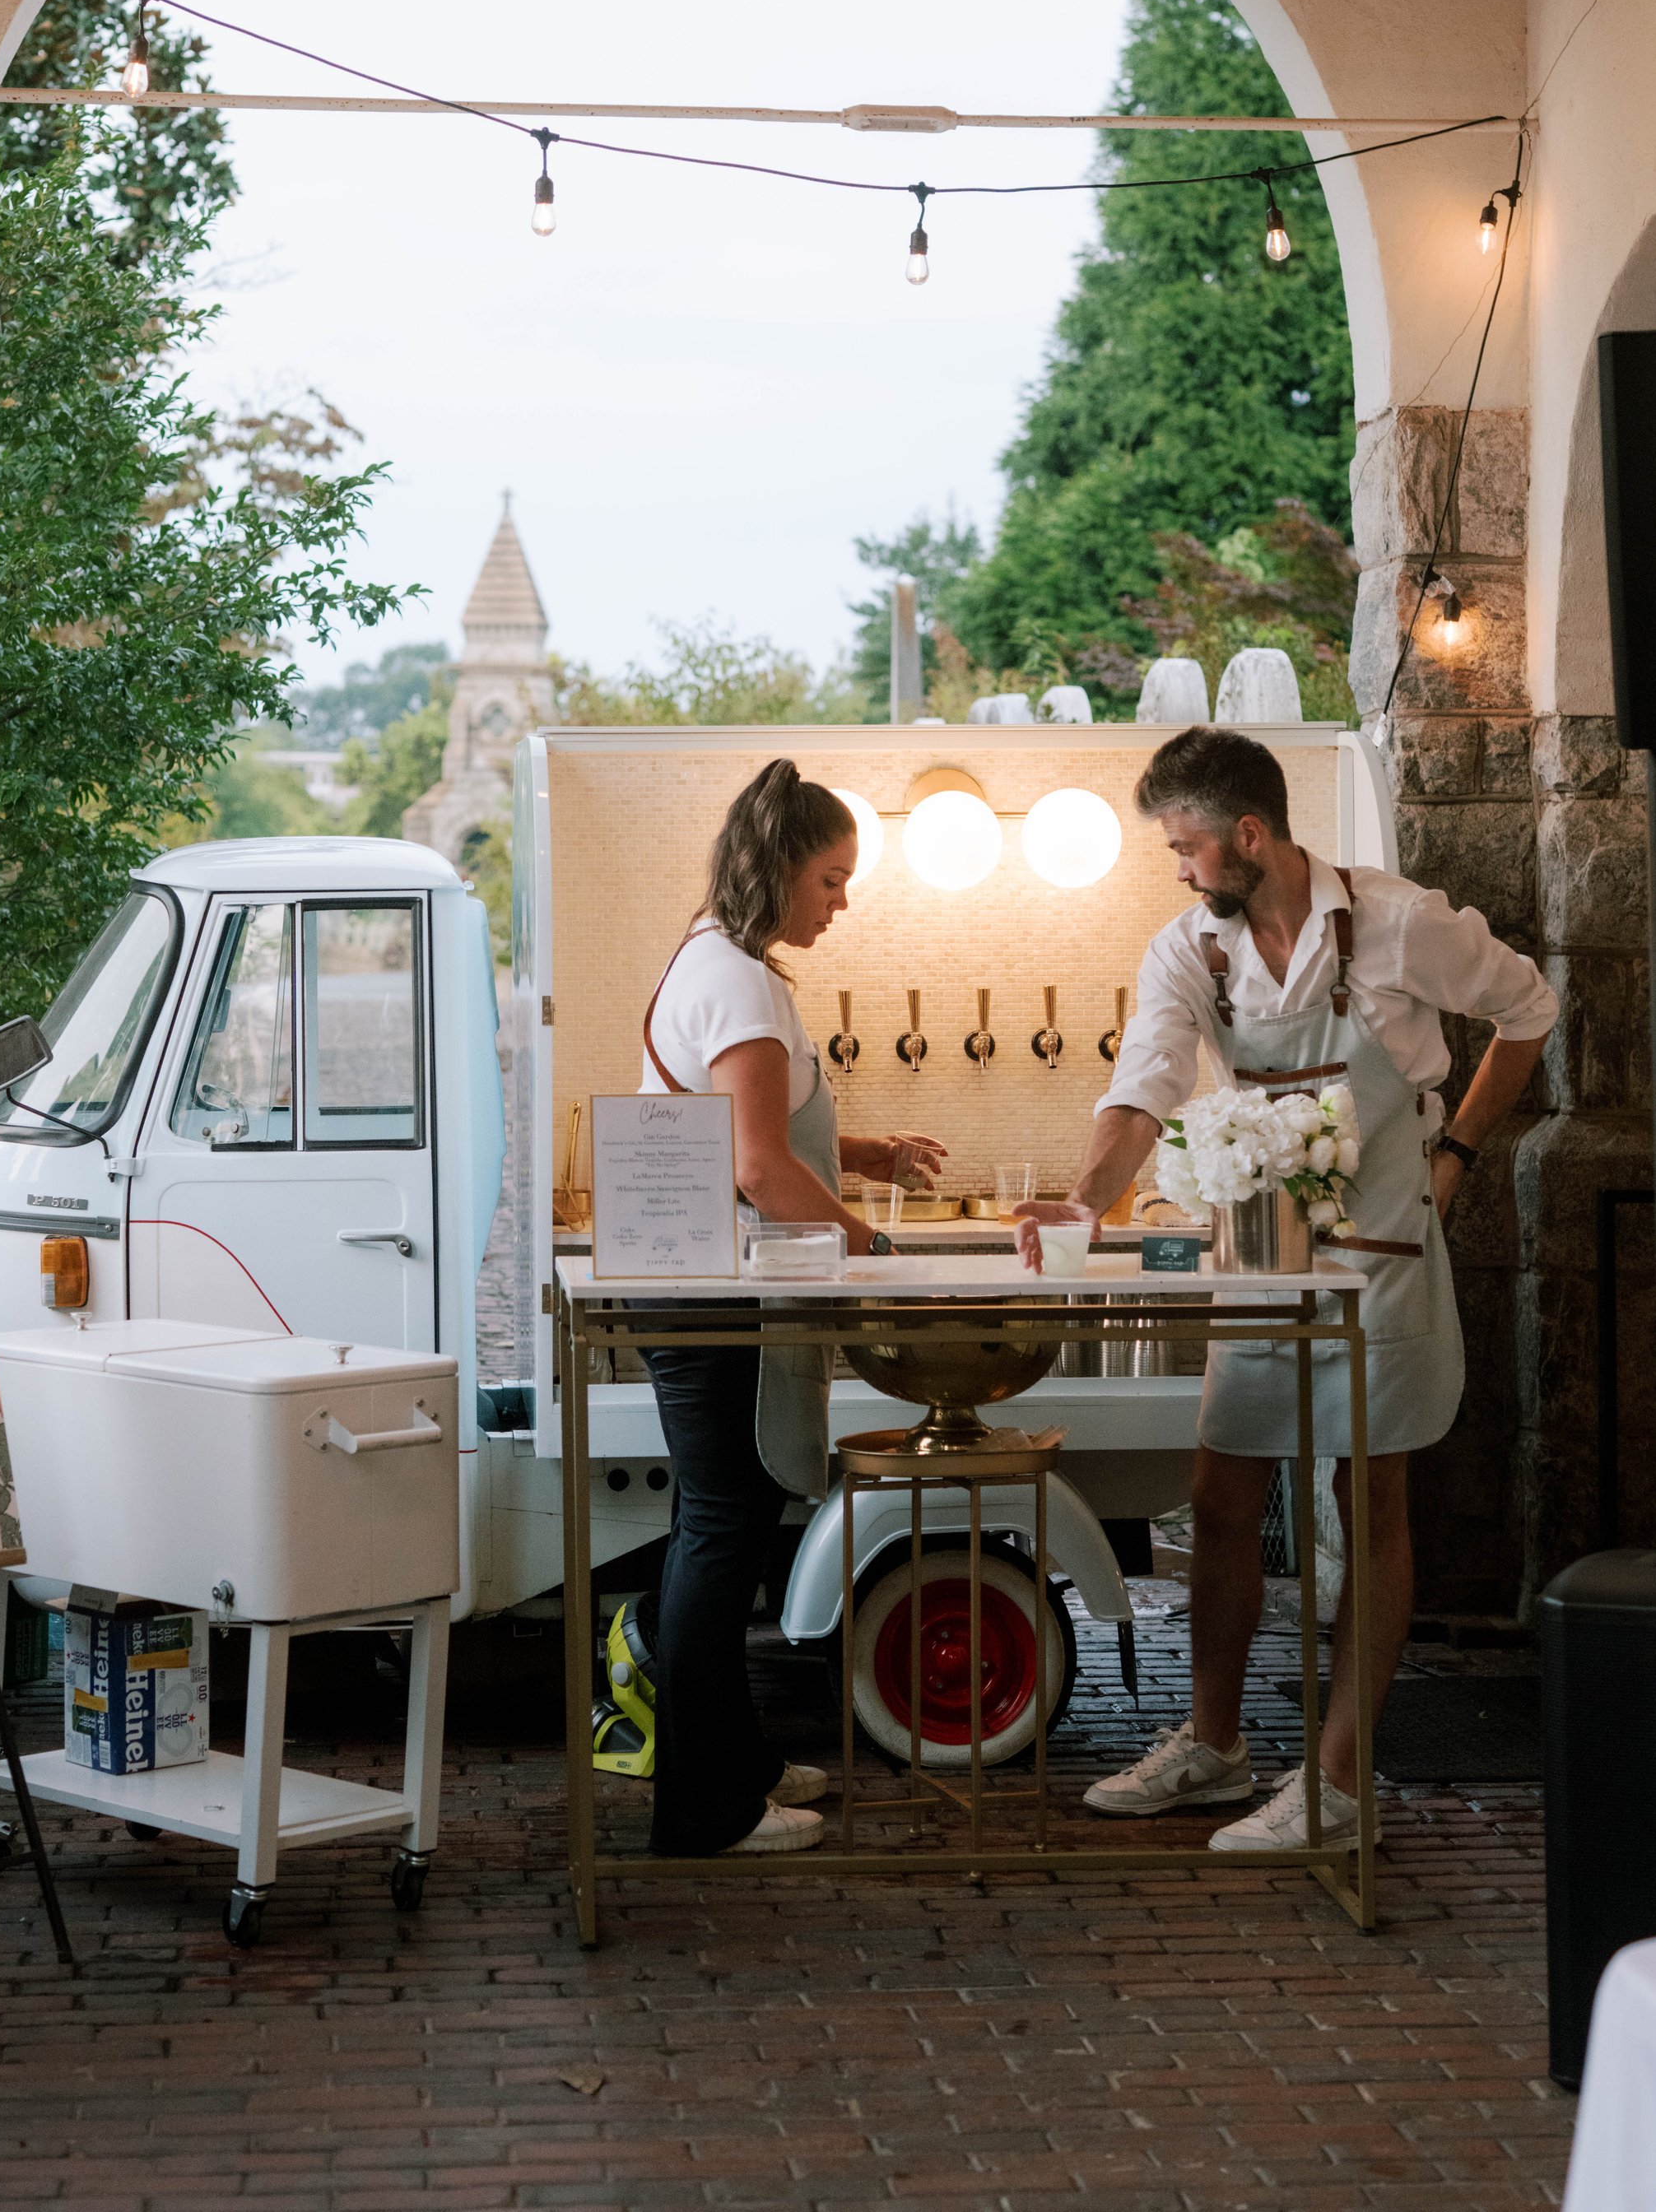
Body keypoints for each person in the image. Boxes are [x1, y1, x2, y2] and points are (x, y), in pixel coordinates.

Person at [1016, 724, 1556, 1854]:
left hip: (1381, 1254)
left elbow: (1529, 1009)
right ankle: (1215, 1747)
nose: (1178, 867)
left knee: (1372, 1508)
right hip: (1259, 1253)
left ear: (1249, 835)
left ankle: (1341, 1781)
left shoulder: (1402, 922)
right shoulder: (1189, 951)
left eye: (1187, 845)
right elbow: (1145, 1084)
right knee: (1222, 1493)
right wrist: (1086, 1198)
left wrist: (1457, 1151)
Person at [637, 759, 947, 1858]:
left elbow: (751, 1130)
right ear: (779, 868)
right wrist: (872, 1251)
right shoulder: (741, 983)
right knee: (721, 1533)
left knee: (724, 1529)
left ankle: (742, 1765)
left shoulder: (717, 960)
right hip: (726, 1300)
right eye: (831, 877)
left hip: (708, 1294)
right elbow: (762, 1165)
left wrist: (865, 1151)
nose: (841, 900)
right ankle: (703, 1809)